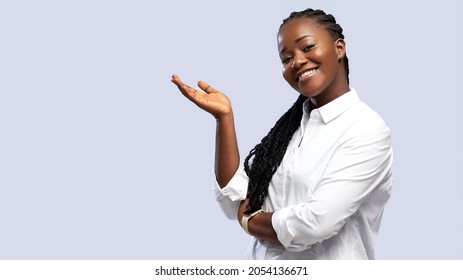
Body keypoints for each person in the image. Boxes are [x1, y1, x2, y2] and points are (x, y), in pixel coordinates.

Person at [171, 8, 393, 260]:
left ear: (339, 47)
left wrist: (249, 221)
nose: (296, 61)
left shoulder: (366, 129)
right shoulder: (290, 128)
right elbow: (237, 200)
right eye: (286, 59)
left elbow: (315, 223)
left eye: (307, 47)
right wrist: (224, 118)